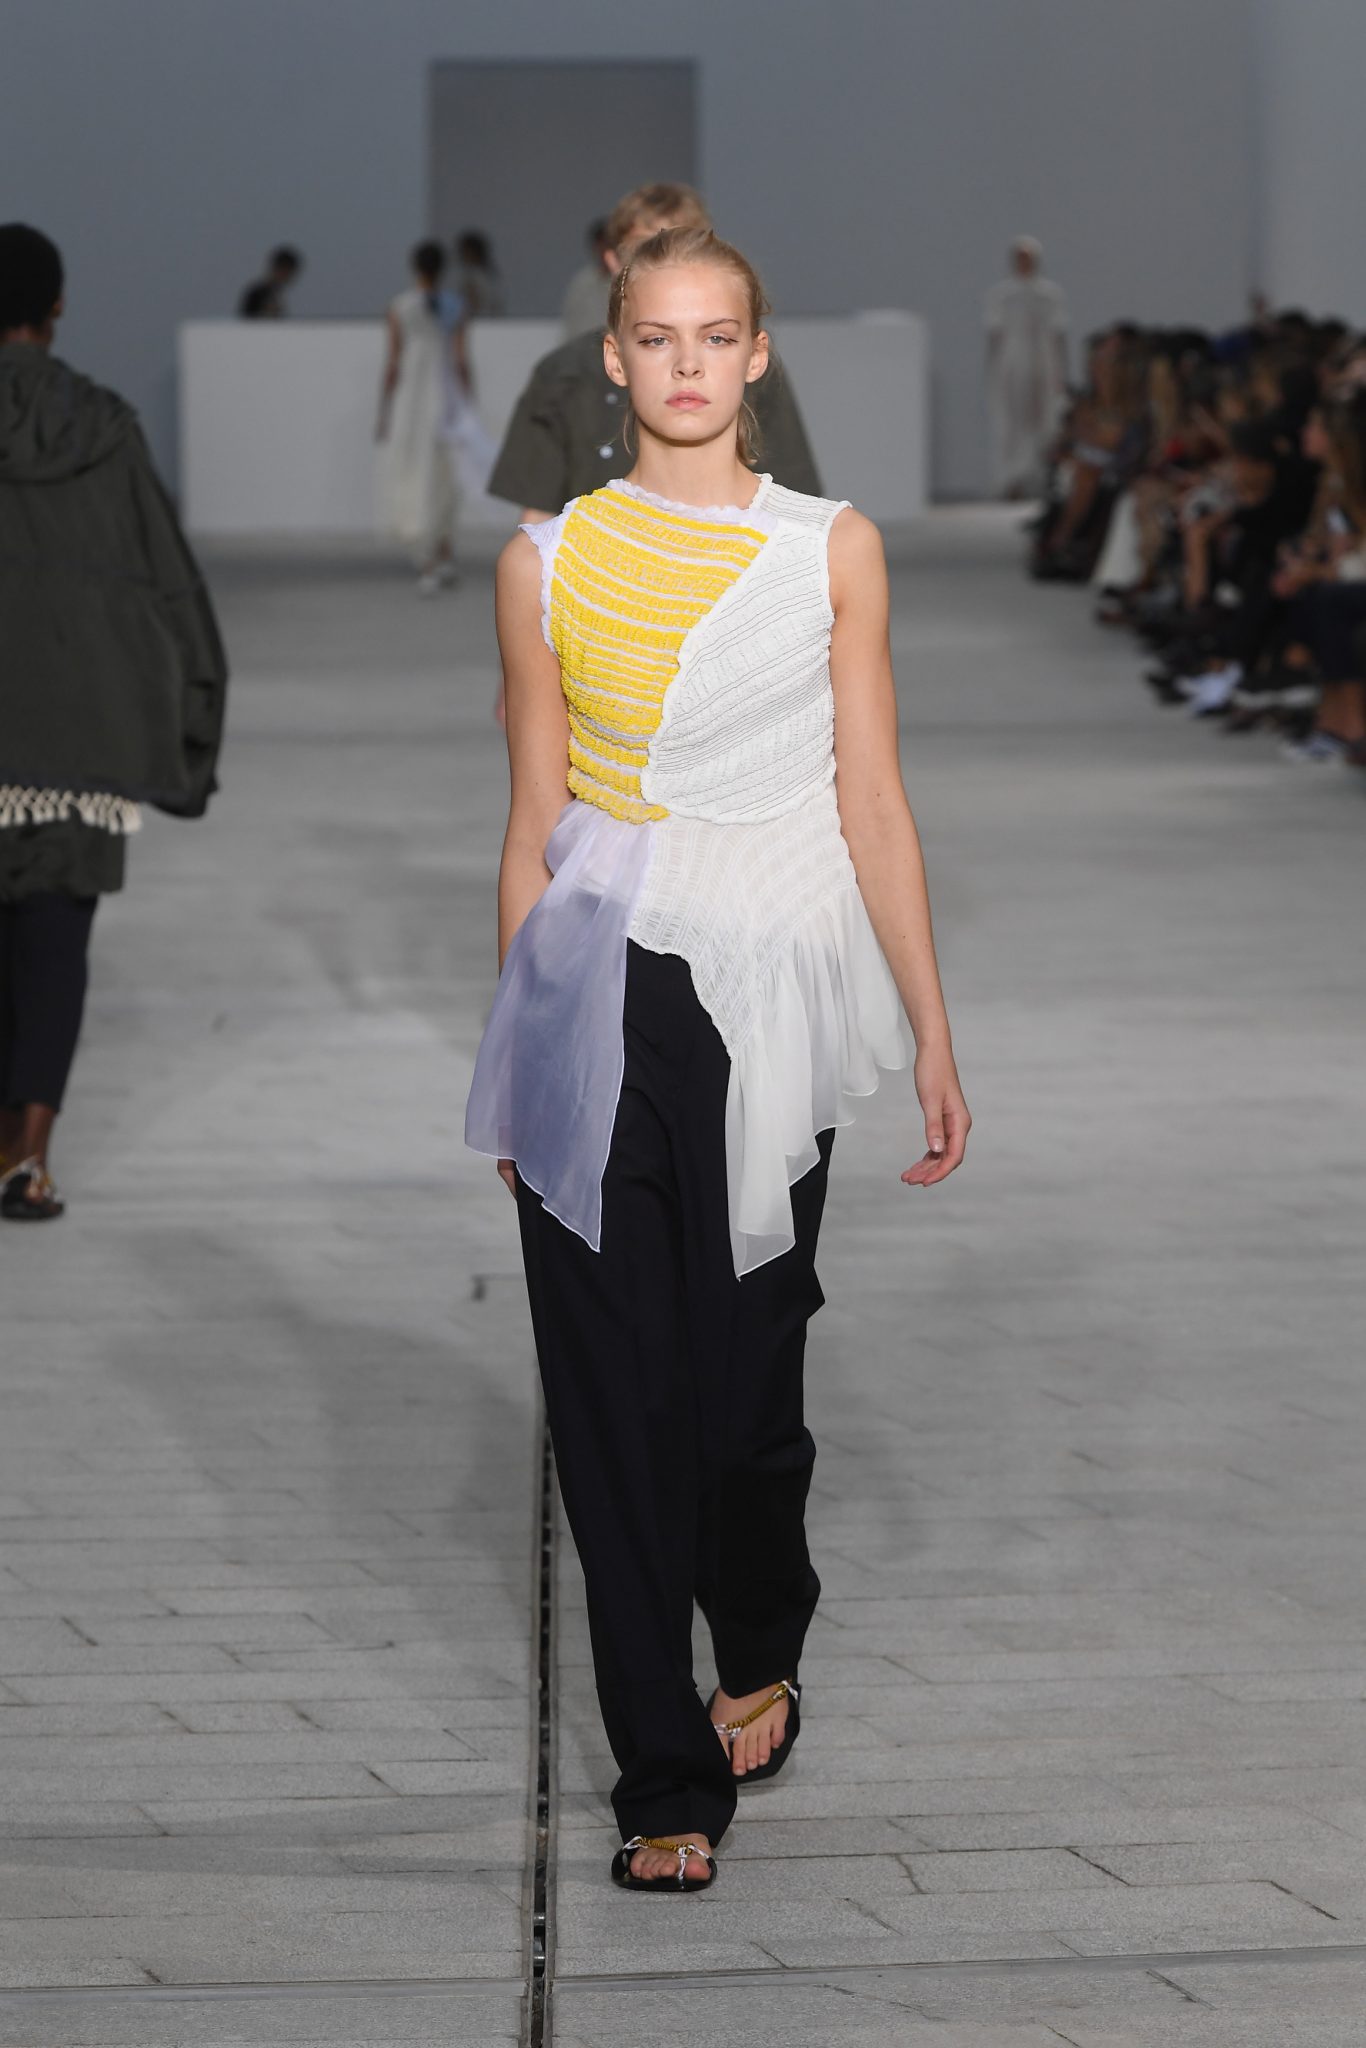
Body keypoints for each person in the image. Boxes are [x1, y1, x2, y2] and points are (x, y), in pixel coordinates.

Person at [465, 226, 970, 1893]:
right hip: (596, 984)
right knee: (613, 1395)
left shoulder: (831, 549)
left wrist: (932, 1020)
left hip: (771, 994)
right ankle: (662, 1778)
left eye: (716, 335)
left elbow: (871, 798)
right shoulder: (544, 560)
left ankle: (758, 1625)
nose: (685, 363)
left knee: (745, 1395)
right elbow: (533, 822)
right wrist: (518, 1050)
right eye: (656, 336)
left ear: (757, 355)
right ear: (611, 357)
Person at [0, 224, 228, 1219]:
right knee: (54, 946)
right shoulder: (105, 428)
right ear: (56, 310)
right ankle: (29, 1155)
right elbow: (169, 584)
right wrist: (193, 736)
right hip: (81, 736)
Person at [488, 182, 821, 522]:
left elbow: (794, 494)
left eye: (685, 244)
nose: (667, 263)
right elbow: (538, 510)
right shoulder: (562, 374)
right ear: (612, 261)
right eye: (644, 249)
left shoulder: (751, 373)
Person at [376, 239, 470, 594]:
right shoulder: (455, 306)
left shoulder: (400, 307)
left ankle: (428, 560)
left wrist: (385, 409)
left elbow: (393, 363)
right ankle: (442, 553)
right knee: (444, 472)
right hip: (445, 397)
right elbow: (461, 362)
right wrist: (468, 405)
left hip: (413, 401)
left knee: (417, 472)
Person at [985, 235, 1070, 498]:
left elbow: (1058, 335)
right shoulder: (1002, 296)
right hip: (1012, 366)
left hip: (1044, 364)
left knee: (1045, 421)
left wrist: (1060, 373)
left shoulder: (1049, 295)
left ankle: (1041, 479)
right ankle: (1012, 480)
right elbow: (995, 337)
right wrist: (994, 373)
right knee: (1012, 425)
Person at [561, 217, 612, 339]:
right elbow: (571, 324)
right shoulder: (582, 283)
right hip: (586, 346)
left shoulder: (629, 281)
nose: (604, 252)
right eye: (601, 246)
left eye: (608, 245)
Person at [238, 244, 302, 319]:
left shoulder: (276, 294)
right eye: (286, 271)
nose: (288, 276)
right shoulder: (258, 294)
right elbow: (246, 321)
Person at [453, 230, 505, 319]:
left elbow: (474, 303)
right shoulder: (488, 274)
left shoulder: (476, 275)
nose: (463, 256)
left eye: (466, 252)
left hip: (481, 320)